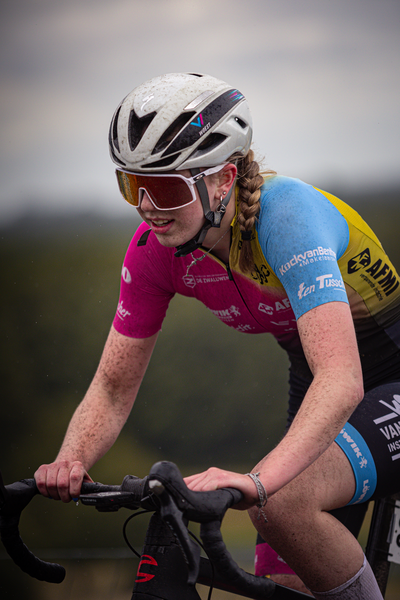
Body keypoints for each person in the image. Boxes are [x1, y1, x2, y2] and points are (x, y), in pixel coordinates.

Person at [34, 73, 400, 599]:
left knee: (281, 505)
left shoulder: (286, 216)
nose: (147, 207)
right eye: (132, 185)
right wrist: (70, 462)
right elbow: (114, 388)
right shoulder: (155, 250)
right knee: (285, 584)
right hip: (313, 384)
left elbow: (343, 379)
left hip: (376, 380)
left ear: (223, 178)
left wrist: (255, 484)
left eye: (163, 187)